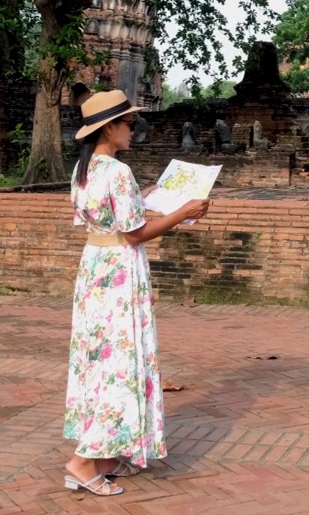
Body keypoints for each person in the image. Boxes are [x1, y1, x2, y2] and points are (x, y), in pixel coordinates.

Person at [63, 89, 210, 497]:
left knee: (98, 359)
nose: (134, 129)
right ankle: (81, 462)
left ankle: (107, 454)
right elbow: (133, 234)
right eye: (129, 123)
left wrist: (146, 198)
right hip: (119, 272)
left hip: (94, 269)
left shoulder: (85, 169)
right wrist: (183, 213)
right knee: (120, 361)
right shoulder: (117, 172)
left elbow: (106, 219)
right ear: (109, 127)